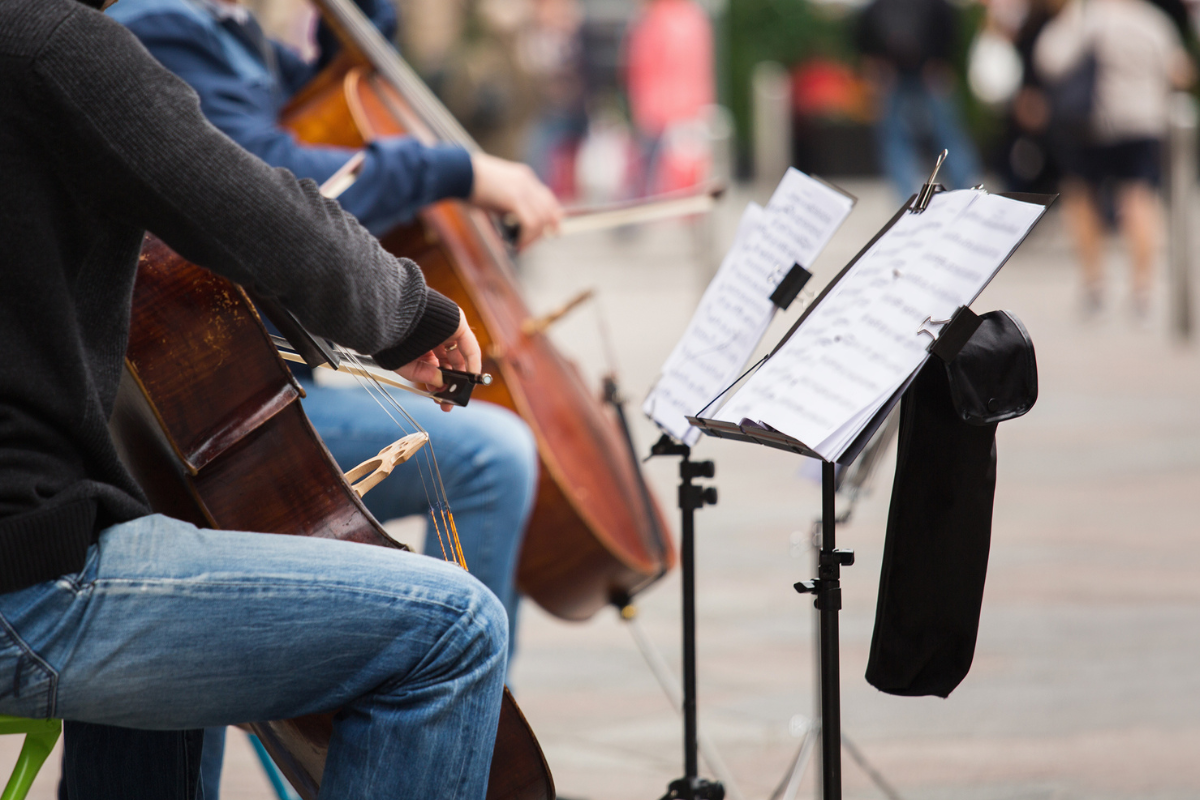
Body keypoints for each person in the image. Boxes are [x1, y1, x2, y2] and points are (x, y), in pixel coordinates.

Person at [0, 1, 510, 799]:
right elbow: (247, 205)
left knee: (151, 550)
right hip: (24, 582)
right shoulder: (50, 45)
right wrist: (412, 315)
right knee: (455, 628)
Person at [1035, 0, 1192, 318]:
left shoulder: (1084, 17)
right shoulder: (1153, 20)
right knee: (1139, 197)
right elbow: (1180, 72)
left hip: (1092, 124)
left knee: (1081, 198)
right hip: (1143, 120)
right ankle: (1142, 289)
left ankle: (1095, 286)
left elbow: (1049, 59)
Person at [857, 0, 983, 197]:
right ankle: (959, 196)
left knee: (944, 138)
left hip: (924, 74)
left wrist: (939, 61)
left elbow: (864, 30)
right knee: (907, 142)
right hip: (899, 77)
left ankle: (964, 195)